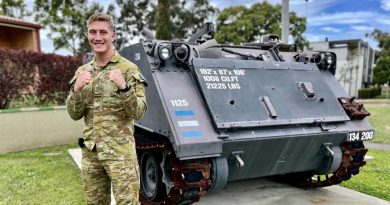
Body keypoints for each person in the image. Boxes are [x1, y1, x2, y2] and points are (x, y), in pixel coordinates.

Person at [66, 12, 147, 205]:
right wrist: (76, 89)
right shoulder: (82, 72)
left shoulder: (129, 69)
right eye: (92, 32)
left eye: (103, 32)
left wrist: (123, 87)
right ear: (88, 35)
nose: (98, 37)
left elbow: (139, 112)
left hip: (120, 155)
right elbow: (74, 114)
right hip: (92, 154)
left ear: (113, 36)